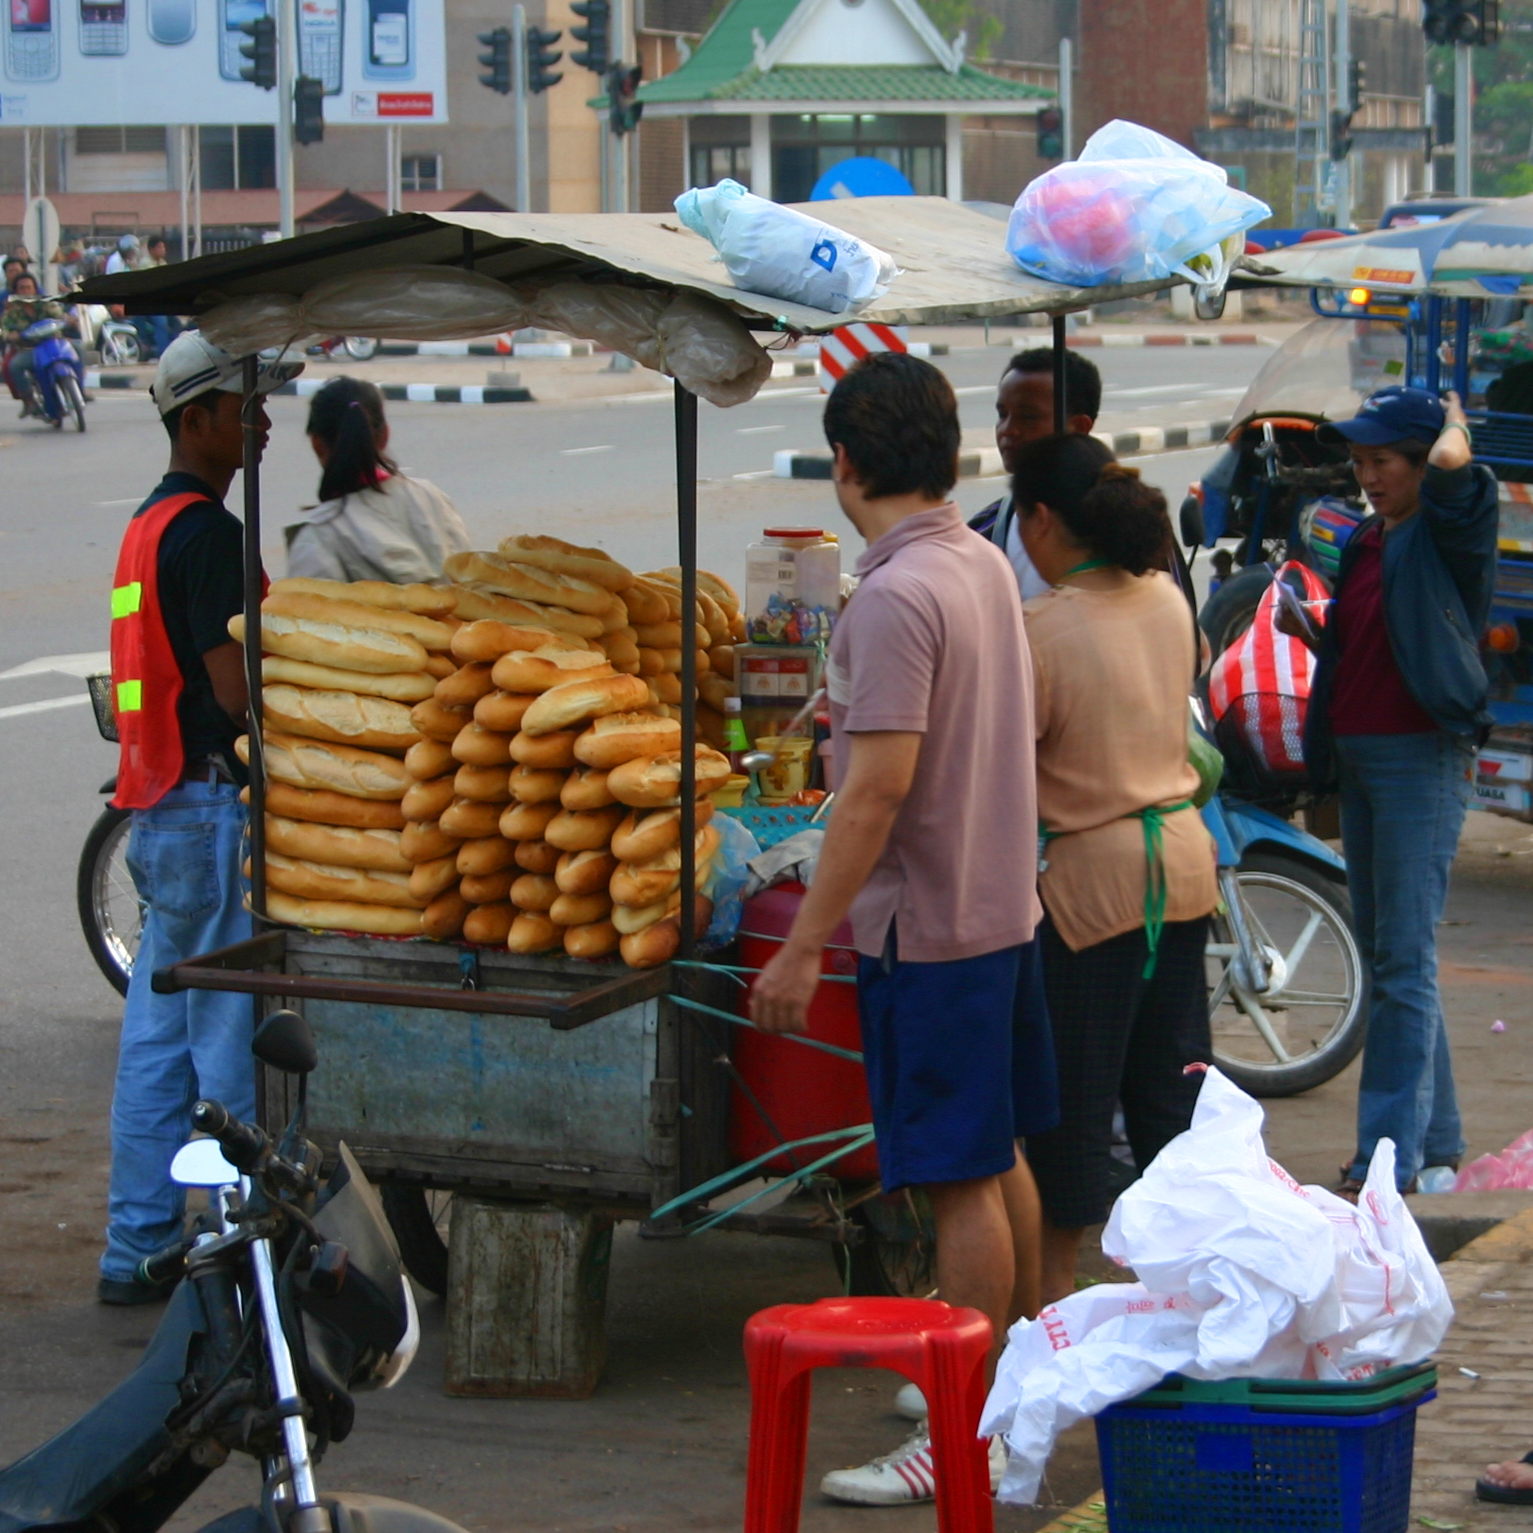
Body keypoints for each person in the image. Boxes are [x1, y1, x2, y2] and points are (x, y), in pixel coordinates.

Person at [750, 351, 1057, 1506]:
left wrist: (798, 943)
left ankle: (965, 1438)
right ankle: (1004, 1369)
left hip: (930, 930)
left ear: (845, 459)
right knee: (999, 1149)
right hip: (998, 907)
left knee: (959, 1177)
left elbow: (874, 791)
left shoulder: (891, 595)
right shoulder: (978, 561)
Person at [99, 332, 303, 1305]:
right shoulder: (212, 536)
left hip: (155, 807)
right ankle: (230, 1255)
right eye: (244, 406)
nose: (261, 421)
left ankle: (133, 1246)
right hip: (214, 803)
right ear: (196, 421)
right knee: (225, 1036)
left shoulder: (146, 526)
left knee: (154, 1037)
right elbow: (232, 693)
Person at [1011, 434, 1218, 1305]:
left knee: (1070, 1124)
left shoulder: (1044, 627)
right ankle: (1186, 1309)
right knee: (1170, 1114)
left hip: (1089, 896)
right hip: (1179, 872)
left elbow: (1003, 763)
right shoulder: (1167, 601)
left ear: (1043, 520)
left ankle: (1048, 1314)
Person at [1295, 387, 1498, 1198]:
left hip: (1419, 757)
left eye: (1382, 461)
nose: (1366, 476)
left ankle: (1387, 1159)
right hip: (1362, 754)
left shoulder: (1451, 526)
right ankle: (1436, 1142)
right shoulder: (1373, 539)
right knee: (1393, 959)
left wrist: (1451, 421)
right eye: (1359, 462)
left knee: (1402, 963)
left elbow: (1456, 465)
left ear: (1421, 462)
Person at [285, 376, 471, 583]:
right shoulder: (432, 497)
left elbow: (307, 611)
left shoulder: (318, 537)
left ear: (316, 443)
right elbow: (468, 582)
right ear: (385, 435)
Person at [969, 347, 1103, 599]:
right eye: (1002, 414)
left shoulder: (1125, 529)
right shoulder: (985, 530)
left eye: (1028, 417)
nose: (1008, 430)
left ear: (1079, 426)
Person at [2, 271, 87, 416]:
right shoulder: (12, 310)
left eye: (29, 287)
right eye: (22, 288)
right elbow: (4, 329)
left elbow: (59, 315)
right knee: (15, 365)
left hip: (54, 343)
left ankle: (80, 388)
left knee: (79, 348)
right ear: (16, 291)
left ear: (35, 288)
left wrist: (69, 320)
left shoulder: (46, 303)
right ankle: (29, 401)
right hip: (30, 349)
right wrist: (11, 335)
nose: (26, 291)